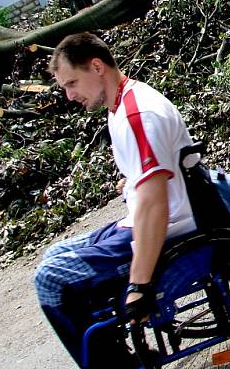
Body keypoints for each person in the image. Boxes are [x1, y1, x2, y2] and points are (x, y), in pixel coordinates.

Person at [34, 32, 197, 368]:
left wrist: (139, 284)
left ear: (96, 67)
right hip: (143, 218)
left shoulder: (136, 116)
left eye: (72, 83)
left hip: (167, 227)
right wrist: (133, 181)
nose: (69, 95)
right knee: (54, 257)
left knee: (51, 279)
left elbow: (155, 206)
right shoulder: (123, 102)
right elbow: (151, 177)